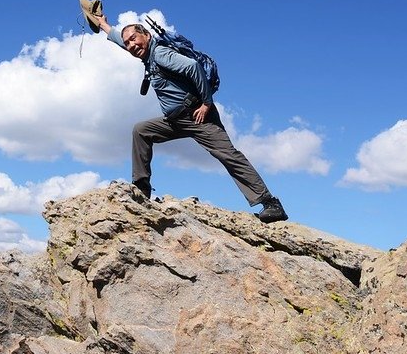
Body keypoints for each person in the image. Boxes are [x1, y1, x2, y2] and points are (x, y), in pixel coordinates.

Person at [94, 12, 288, 223]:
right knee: (141, 130)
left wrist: (206, 103)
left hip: (197, 116)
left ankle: (271, 203)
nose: (131, 45)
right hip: (174, 121)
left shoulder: (160, 54)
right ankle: (141, 187)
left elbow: (193, 67)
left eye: (134, 39)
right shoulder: (144, 54)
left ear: (147, 35)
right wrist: (103, 24)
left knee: (228, 155)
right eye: (127, 43)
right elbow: (122, 41)